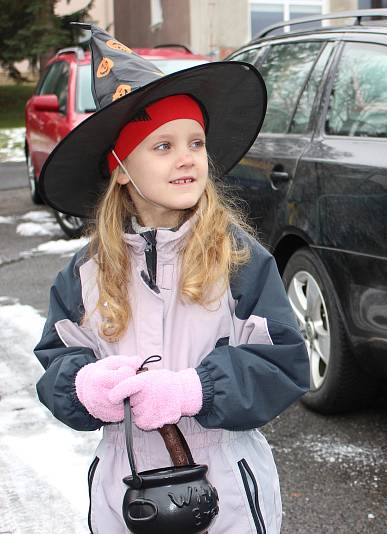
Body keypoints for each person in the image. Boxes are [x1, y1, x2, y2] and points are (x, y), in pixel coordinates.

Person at [33, 25, 309, 533]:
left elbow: (285, 364)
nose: (187, 157)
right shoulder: (84, 273)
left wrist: (195, 390)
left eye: (196, 142)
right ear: (120, 168)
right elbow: (55, 363)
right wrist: (81, 384)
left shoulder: (240, 261)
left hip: (226, 495)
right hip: (125, 495)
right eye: (162, 146)